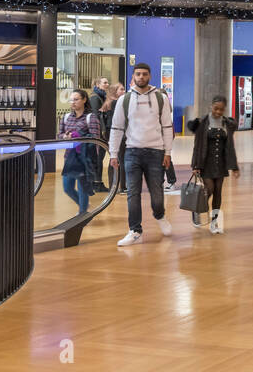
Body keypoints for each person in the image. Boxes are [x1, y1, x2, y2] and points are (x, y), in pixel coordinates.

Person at [108, 62, 175, 246]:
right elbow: (116, 127)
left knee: (157, 194)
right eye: (138, 74)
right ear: (133, 76)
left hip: (156, 152)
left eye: (144, 74)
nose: (141, 77)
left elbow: (167, 127)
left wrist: (168, 152)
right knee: (133, 193)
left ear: (150, 76)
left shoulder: (160, 98)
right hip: (132, 152)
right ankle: (135, 230)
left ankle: (159, 215)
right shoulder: (124, 99)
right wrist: (113, 153)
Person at [187, 94, 239, 235]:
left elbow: (230, 146)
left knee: (218, 192)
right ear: (211, 106)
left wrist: (234, 167)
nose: (218, 112)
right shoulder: (202, 122)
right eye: (216, 109)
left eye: (221, 110)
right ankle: (197, 209)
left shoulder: (227, 124)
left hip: (220, 163)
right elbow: (197, 146)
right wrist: (195, 166)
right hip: (205, 163)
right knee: (209, 188)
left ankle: (215, 222)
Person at [59, 88, 100, 216]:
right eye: (71, 100)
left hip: (84, 157)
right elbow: (59, 135)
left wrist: (78, 135)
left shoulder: (90, 117)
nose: (73, 102)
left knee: (82, 188)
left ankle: (82, 213)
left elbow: (95, 138)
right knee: (67, 188)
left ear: (84, 100)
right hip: (69, 157)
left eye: (76, 99)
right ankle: (84, 206)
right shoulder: (66, 117)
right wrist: (64, 137)